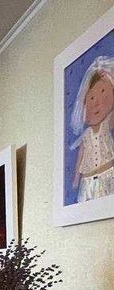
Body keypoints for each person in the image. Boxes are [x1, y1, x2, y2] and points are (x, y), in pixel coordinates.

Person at [70, 57, 114, 204]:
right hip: (87, 180)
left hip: (107, 174)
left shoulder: (107, 123)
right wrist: (77, 177)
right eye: (92, 97)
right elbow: (81, 155)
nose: (96, 103)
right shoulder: (86, 135)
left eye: (103, 91)